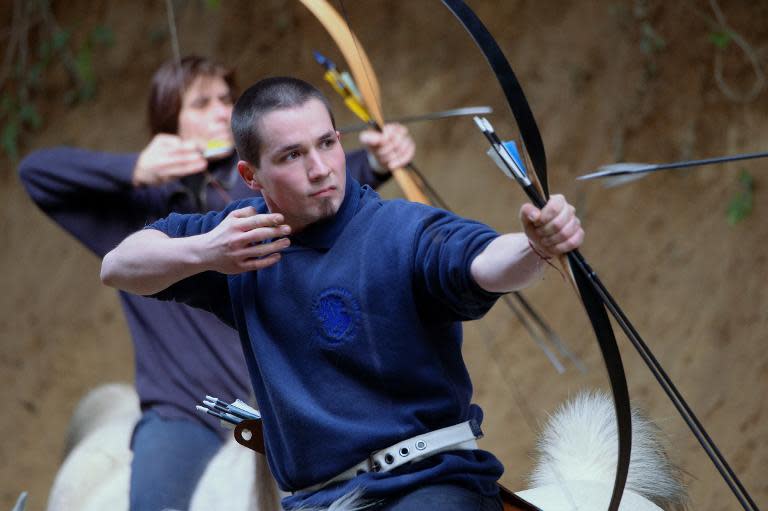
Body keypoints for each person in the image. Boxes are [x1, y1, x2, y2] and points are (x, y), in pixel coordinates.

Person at [100, 76, 584, 511]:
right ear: (252, 177)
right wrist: (206, 252)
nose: (320, 168)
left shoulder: (402, 229)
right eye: (292, 155)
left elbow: (481, 262)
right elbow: (118, 266)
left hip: (429, 485)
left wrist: (533, 245)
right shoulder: (236, 239)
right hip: (318, 502)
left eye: (327, 143)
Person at [19, 57, 415, 511]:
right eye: (201, 103)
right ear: (169, 123)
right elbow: (37, 173)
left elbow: (320, 185)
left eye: (226, 100)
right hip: (183, 415)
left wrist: (380, 159)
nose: (220, 111)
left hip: (280, 403)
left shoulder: (252, 192)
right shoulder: (136, 209)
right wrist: (133, 169)